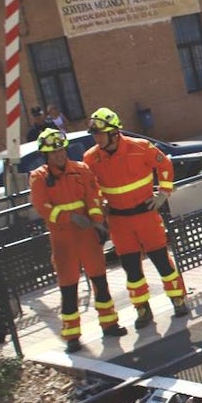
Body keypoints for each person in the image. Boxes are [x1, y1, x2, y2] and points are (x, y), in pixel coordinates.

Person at [83, 107, 189, 328]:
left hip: (145, 215)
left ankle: (178, 298)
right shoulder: (91, 158)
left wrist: (164, 191)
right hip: (119, 221)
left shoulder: (139, 147)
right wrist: (99, 203)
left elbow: (164, 164)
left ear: (113, 132)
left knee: (161, 260)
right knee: (131, 267)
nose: (96, 138)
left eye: (99, 134)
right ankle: (142, 308)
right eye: (94, 134)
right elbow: (91, 187)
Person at [29, 128, 128, 353]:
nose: (59, 155)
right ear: (46, 156)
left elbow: (93, 198)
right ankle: (72, 335)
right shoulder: (39, 177)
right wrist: (69, 217)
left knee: (100, 280)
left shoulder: (81, 170)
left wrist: (97, 222)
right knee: (69, 287)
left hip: (87, 235)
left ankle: (109, 323)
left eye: (61, 151)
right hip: (63, 239)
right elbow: (43, 207)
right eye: (54, 153)